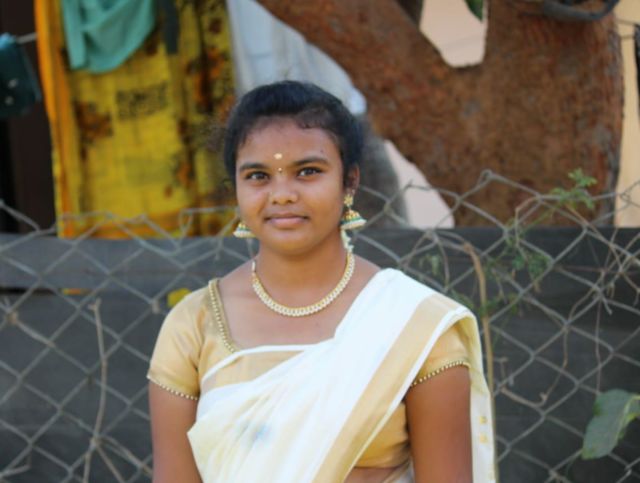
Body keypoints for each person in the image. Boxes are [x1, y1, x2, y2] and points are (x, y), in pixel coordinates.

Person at [147, 80, 495, 482]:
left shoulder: (415, 325)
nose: (281, 194)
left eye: (308, 172)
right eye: (258, 176)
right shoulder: (194, 326)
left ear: (350, 181)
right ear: (236, 189)